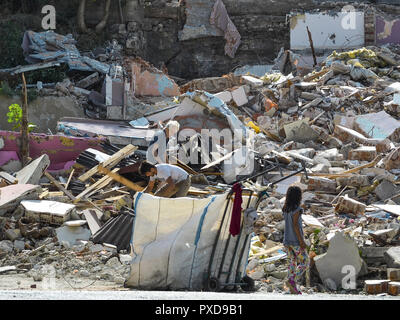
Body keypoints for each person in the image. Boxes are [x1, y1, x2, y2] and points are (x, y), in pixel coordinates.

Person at [282, 185, 309, 295]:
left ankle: (293, 288)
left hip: (287, 240)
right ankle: (292, 280)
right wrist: (301, 241)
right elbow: (295, 226)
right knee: (305, 261)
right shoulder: (297, 209)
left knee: (292, 263)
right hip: (295, 241)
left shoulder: (285, 209)